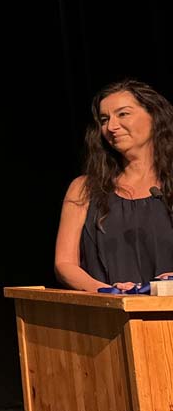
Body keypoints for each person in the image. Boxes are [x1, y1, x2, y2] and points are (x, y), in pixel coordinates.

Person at [55, 79, 173, 291]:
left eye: (123, 114)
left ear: (154, 116)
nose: (111, 126)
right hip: (108, 317)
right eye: (104, 119)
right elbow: (64, 264)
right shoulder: (85, 188)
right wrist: (108, 293)